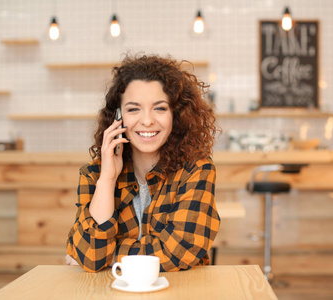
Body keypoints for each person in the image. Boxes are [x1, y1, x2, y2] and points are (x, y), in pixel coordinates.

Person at [65, 53, 221, 273]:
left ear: (176, 115)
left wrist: (110, 256)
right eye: (133, 109)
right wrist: (108, 180)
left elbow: (180, 252)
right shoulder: (95, 175)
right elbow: (91, 257)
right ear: (118, 117)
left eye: (159, 108)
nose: (147, 120)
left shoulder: (195, 170)